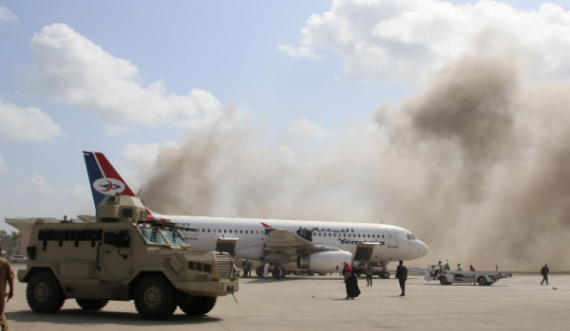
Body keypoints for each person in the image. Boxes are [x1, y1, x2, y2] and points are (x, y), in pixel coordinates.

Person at [0, 247, 14, 331]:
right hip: (0, 295)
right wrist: (11, 291)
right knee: (1, 314)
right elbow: (10, 278)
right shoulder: (5, 263)